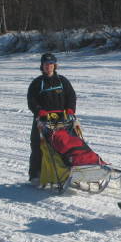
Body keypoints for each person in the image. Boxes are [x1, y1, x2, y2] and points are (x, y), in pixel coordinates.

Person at [27, 53, 76, 185]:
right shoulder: (37, 83)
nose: (48, 67)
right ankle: (35, 175)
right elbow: (31, 101)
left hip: (63, 119)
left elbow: (71, 96)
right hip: (42, 119)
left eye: (51, 64)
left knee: (67, 143)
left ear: (55, 65)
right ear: (42, 66)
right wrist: (39, 111)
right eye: (46, 64)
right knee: (38, 146)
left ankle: (68, 170)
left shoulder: (62, 81)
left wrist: (70, 109)